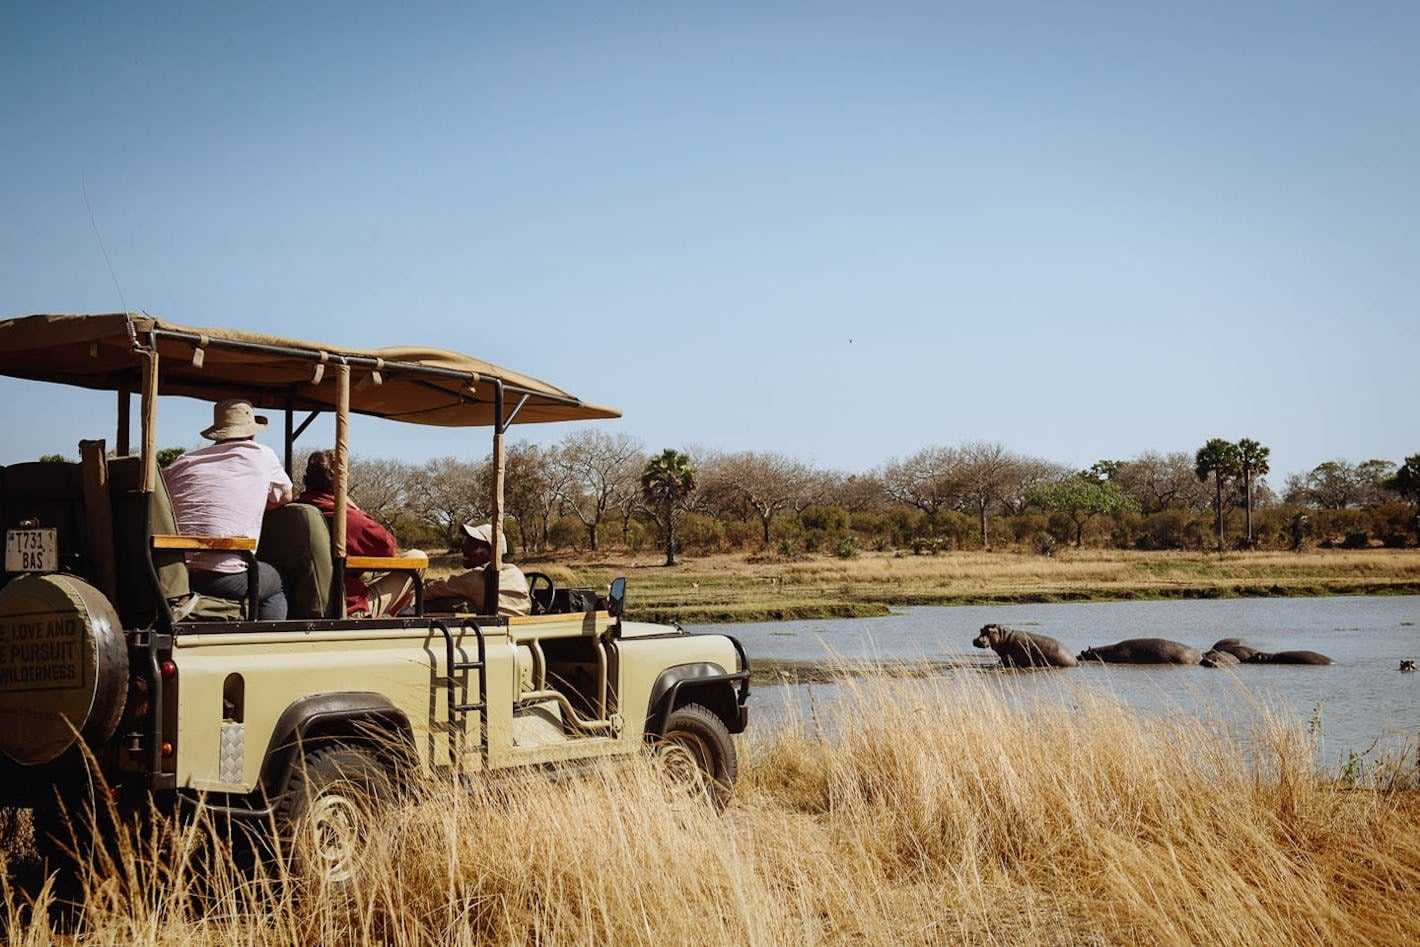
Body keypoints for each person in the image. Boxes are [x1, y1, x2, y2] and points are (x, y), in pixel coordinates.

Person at [162, 399, 293, 619]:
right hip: (226, 576)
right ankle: (265, 642)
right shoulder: (262, 455)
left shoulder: (184, 461)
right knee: (276, 583)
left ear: (218, 434)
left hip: (176, 573)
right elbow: (286, 495)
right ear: (252, 432)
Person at [297, 450, 426, 617]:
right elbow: (388, 547)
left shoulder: (297, 509)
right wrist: (353, 507)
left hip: (300, 601)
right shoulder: (342, 515)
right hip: (345, 605)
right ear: (337, 481)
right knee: (417, 558)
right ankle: (396, 617)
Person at [424, 522, 530, 617]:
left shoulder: (479, 578)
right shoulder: (516, 573)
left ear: (491, 551)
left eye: (473, 544)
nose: (464, 547)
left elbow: (432, 589)